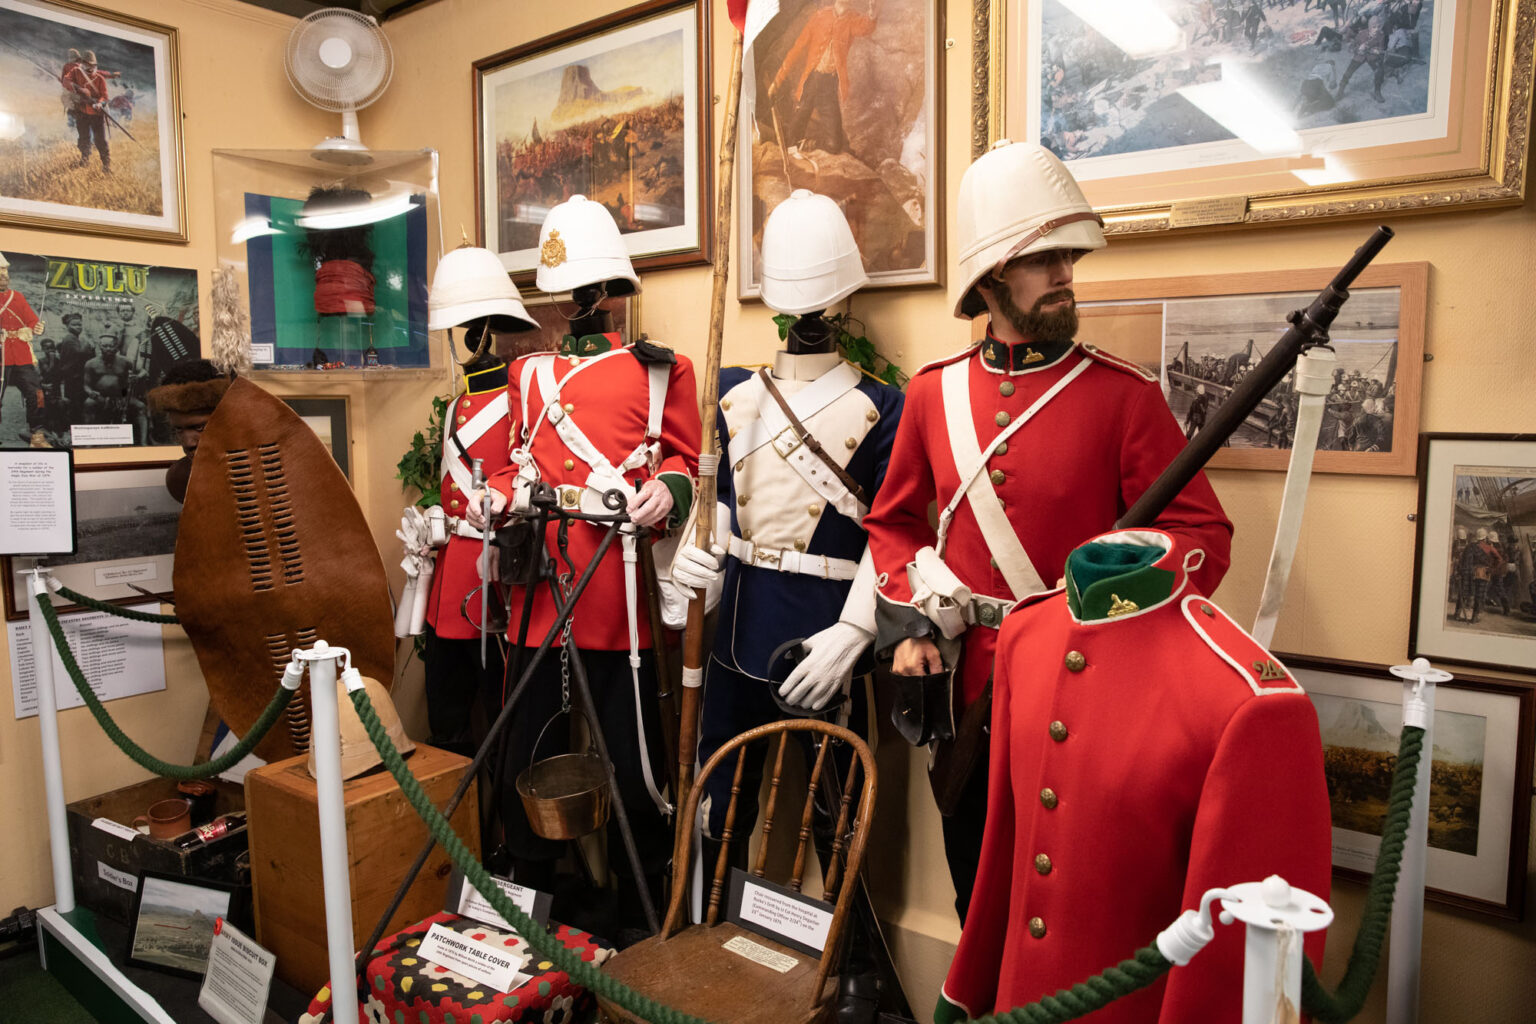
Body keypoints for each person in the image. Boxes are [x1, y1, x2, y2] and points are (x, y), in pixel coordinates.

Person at [862, 140, 1232, 922]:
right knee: (978, 895)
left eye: (1069, 258)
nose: (1068, 274)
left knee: (1074, 910)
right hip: (966, 694)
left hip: (1086, 688)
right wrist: (911, 625)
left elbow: (1201, 533)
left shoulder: (1124, 398)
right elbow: (893, 525)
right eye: (1045, 260)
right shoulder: (932, 397)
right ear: (993, 277)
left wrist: (1118, 598)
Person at [935, 530, 1330, 1024]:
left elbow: (1236, 955)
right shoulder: (1025, 632)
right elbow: (1007, 842)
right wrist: (969, 981)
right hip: (1020, 1002)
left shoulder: (1250, 701)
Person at [468, 195, 701, 938]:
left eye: (587, 289)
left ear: (610, 292)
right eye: (567, 291)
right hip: (541, 585)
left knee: (635, 764)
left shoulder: (663, 371)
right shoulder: (526, 373)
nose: (577, 303)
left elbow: (688, 461)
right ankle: (529, 904)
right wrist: (497, 501)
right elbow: (508, 466)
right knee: (527, 750)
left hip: (615, 586)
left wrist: (667, 491)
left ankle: (639, 912)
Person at [411, 243, 539, 763]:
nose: (464, 340)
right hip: (450, 576)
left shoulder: (518, 401)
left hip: (492, 578)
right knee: (447, 718)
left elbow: (525, 475)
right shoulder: (455, 406)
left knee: (503, 717)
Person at [769, 0, 877, 156]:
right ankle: (792, 146)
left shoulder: (852, 19)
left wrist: (873, 12)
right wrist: (777, 81)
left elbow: (866, 28)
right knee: (799, 118)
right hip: (812, 80)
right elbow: (797, 49)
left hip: (829, 85)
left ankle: (808, 143)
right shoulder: (820, 16)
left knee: (834, 145)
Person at [145, 359, 233, 502]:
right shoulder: (182, 479)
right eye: (178, 430)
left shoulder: (273, 470)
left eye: (200, 427)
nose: (188, 443)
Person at [0, 252, 49, 448]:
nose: (4, 276)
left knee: (36, 392)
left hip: (21, 354)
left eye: (5, 272)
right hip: (0, 355)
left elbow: (32, 320)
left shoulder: (17, 297)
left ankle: (36, 433)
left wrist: (38, 327)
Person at [62, 51, 120, 172]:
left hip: (96, 114)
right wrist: (79, 89)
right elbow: (66, 81)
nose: (89, 66)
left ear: (95, 65)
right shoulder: (76, 72)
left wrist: (99, 103)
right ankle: (84, 159)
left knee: (100, 141)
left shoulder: (99, 79)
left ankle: (106, 166)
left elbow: (105, 97)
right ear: (82, 63)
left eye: (91, 64)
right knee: (84, 138)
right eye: (86, 63)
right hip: (81, 111)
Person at [82, 330, 146, 439]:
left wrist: (137, 377)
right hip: (100, 397)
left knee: (141, 407)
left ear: (116, 347)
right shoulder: (91, 363)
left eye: (111, 346)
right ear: (100, 347)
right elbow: (86, 385)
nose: (108, 349)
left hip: (122, 397)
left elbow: (143, 371)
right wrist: (91, 392)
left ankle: (144, 441)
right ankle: (89, 440)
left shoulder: (125, 361)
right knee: (88, 404)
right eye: (105, 346)